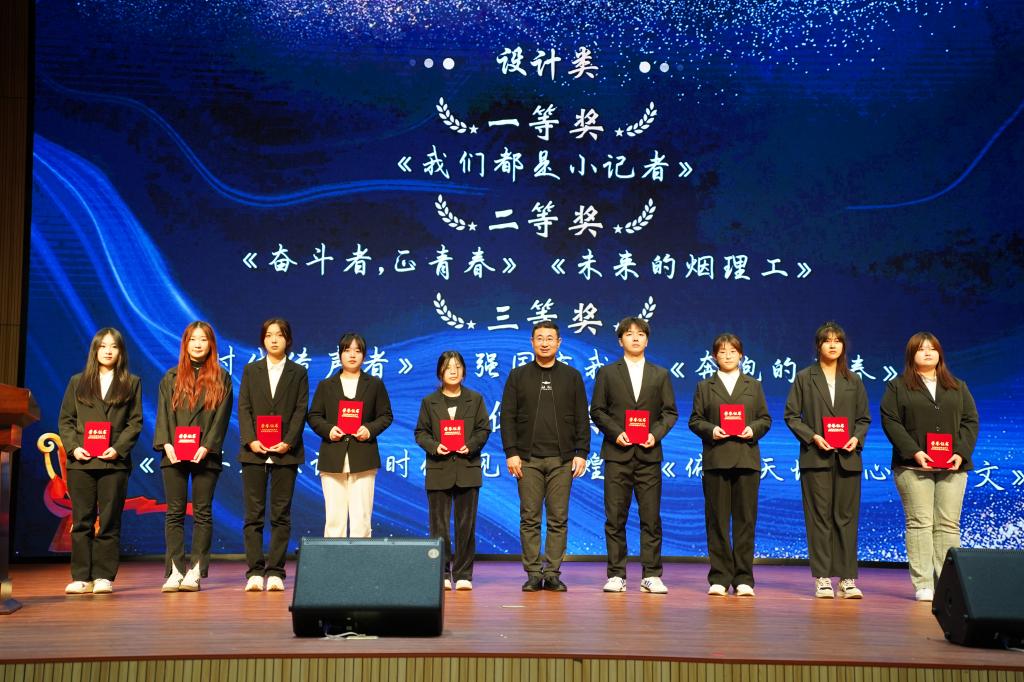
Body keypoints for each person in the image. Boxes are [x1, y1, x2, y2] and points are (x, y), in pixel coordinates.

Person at [880, 332, 979, 602]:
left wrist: (960, 453)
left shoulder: (958, 386)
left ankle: (948, 584)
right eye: (921, 349)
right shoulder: (897, 387)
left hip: (953, 466)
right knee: (920, 522)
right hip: (913, 466)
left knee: (948, 524)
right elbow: (891, 422)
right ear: (911, 355)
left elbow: (970, 421)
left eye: (932, 348)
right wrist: (915, 452)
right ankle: (924, 583)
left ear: (940, 354)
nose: (927, 353)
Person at [591, 317, 678, 594]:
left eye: (640, 334)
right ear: (620, 341)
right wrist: (617, 433)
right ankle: (617, 574)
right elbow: (597, 410)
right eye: (629, 334)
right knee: (615, 517)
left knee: (650, 517)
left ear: (647, 340)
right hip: (617, 454)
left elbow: (670, 412)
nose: (635, 338)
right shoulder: (607, 373)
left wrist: (656, 434)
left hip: (649, 455)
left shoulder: (660, 374)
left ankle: (651, 574)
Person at [501, 321, 590, 592]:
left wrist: (581, 453)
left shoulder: (572, 376)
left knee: (558, 518)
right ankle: (532, 572)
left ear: (559, 343)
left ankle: (552, 573)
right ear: (531, 342)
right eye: (539, 338)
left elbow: (581, 418)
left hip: (563, 460)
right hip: (527, 460)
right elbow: (507, 417)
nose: (544, 343)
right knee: (529, 517)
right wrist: (511, 453)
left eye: (550, 338)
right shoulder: (518, 376)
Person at [784, 322, 870, 599]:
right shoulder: (804, 378)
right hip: (816, 458)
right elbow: (792, 416)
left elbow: (863, 419)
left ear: (843, 346)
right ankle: (822, 578)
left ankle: (847, 578)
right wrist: (812, 437)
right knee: (819, 517)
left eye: (837, 340)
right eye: (827, 340)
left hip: (848, 458)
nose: (833, 345)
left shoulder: (853, 380)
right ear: (818, 346)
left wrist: (856, 438)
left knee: (846, 518)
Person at [58, 328, 142, 595]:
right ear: (94, 350)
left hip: (113, 463)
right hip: (81, 462)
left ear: (121, 352)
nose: (108, 351)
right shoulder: (78, 381)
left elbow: (135, 422)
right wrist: (74, 448)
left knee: (109, 520)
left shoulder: (131, 383)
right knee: (82, 520)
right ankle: (81, 576)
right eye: (103, 346)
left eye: (113, 346)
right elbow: (66, 420)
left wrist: (118, 449)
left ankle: (104, 576)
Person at [688, 333, 770, 597]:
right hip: (716, 459)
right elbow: (695, 420)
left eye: (732, 351)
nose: (727, 356)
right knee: (717, 521)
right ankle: (720, 577)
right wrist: (712, 430)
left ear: (741, 355)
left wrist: (751, 429)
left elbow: (765, 419)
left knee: (746, 521)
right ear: (714, 357)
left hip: (746, 459)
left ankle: (744, 578)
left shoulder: (753, 385)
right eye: (722, 352)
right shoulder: (705, 386)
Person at [154, 321, 233, 592]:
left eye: (203, 339)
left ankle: (196, 570)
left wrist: (207, 446)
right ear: (185, 344)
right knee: (174, 513)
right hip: (173, 454)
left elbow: (221, 418)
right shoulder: (170, 377)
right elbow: (163, 414)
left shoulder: (222, 378)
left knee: (202, 512)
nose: (198, 344)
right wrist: (166, 444)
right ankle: (175, 571)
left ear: (211, 345)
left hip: (205, 455)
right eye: (193, 339)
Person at [237, 318, 308, 592]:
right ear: (263, 340)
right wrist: (251, 440)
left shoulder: (298, 372)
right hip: (254, 452)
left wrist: (288, 442)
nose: (274, 339)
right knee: (253, 515)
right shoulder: (251, 370)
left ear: (288, 339)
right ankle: (255, 571)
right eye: (269, 335)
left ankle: (276, 571)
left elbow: (300, 410)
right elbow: (244, 407)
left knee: (281, 514)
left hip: (285, 453)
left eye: (279, 335)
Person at [414, 351, 491, 591]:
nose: (453, 371)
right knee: (439, 527)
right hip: (439, 468)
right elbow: (421, 433)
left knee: (466, 526)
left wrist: (472, 445)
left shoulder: (475, 399)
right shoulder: (429, 401)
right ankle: (442, 573)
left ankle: (463, 573)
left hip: (468, 468)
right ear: (440, 372)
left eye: (457, 366)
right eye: (448, 367)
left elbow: (483, 429)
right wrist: (435, 446)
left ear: (464, 371)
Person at [307, 332, 393, 538]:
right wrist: (329, 430)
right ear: (340, 354)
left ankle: (360, 559)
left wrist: (369, 429)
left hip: (363, 456)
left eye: (357, 350)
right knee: (334, 518)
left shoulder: (374, 384)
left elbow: (386, 415)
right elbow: (314, 416)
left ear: (364, 355)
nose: (352, 355)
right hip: (332, 456)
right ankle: (333, 558)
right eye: (347, 350)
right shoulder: (326, 385)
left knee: (361, 517)